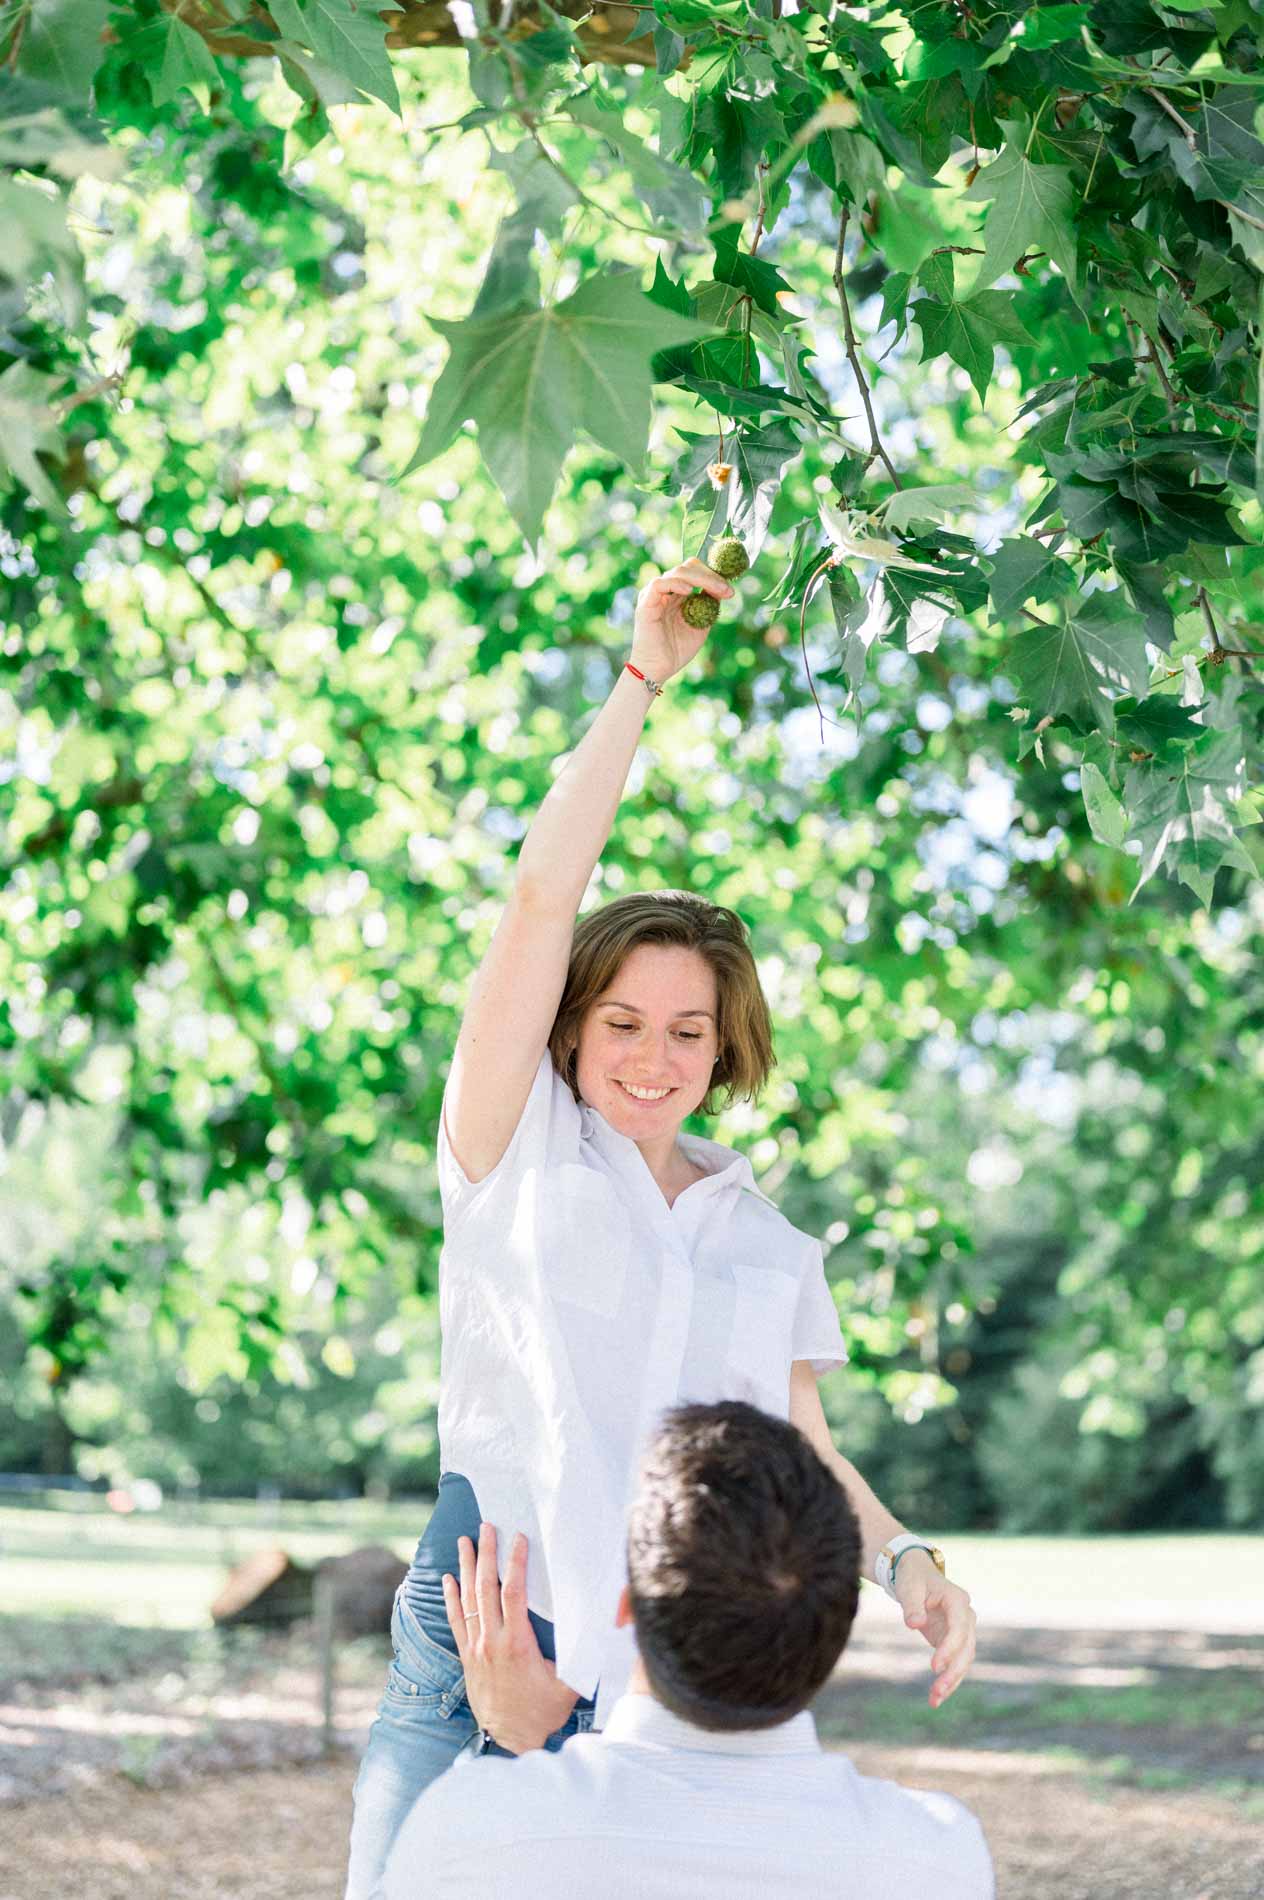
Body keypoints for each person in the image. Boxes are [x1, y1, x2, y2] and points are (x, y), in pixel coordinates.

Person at [344, 557, 978, 1900]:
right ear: (574, 1027)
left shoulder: (769, 1243)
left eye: (688, 1030)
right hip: (485, 1642)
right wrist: (641, 680)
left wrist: (910, 1560)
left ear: (725, 1046)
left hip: (664, 1685)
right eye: (622, 1023)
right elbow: (536, 904)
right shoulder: (510, 1149)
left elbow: (800, 1451)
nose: (652, 1057)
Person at [382, 1399, 994, 1900]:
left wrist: (512, 1744)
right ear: (834, 1633)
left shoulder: (471, 1831)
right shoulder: (938, 1856)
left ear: (622, 1607)